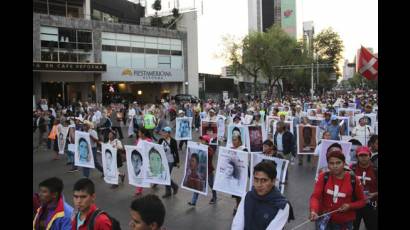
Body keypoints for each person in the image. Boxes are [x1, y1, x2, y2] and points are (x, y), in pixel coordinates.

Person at [309, 144, 366, 230]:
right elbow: (315, 197)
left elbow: (362, 201)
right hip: (325, 221)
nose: (335, 166)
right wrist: (313, 210)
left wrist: (350, 206)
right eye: (331, 163)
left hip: (345, 223)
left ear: (344, 163)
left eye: (338, 163)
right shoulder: (323, 176)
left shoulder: (353, 179)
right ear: (328, 165)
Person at [231, 161, 294, 230]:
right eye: (256, 180)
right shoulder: (247, 196)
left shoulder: (282, 206)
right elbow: (237, 225)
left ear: (273, 181)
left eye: (264, 180)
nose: (259, 185)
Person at [350, 147, 378, 230]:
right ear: (357, 157)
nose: (363, 157)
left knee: (372, 227)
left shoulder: (376, 170)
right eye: (360, 155)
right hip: (355, 204)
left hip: (371, 205)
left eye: (365, 155)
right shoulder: (352, 169)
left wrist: (374, 194)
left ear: (369, 156)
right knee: (353, 227)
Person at [188, 135, 218, 206]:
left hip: (209, 171)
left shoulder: (209, 149)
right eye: (200, 140)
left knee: (211, 185)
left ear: (207, 142)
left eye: (202, 140)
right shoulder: (199, 148)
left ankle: (214, 197)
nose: (200, 142)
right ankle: (193, 201)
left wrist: (205, 148)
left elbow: (211, 154)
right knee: (197, 184)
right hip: (200, 171)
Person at [158, 126, 180, 198]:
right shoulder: (161, 140)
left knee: (166, 176)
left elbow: (176, 152)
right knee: (165, 176)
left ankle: (169, 191)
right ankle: (174, 187)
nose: (163, 133)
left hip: (170, 160)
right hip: (162, 160)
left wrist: (177, 162)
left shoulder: (173, 141)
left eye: (165, 132)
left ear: (169, 133)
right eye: (163, 132)